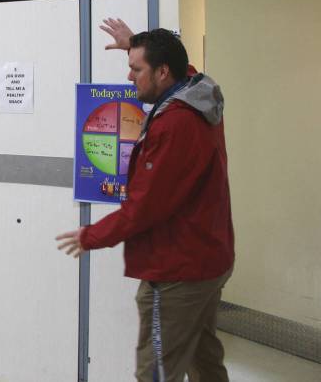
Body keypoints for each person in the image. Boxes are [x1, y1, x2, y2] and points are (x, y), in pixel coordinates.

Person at [56, 19, 234, 382]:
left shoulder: (175, 125)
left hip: (177, 270)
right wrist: (134, 45)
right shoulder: (199, 93)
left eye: (136, 69)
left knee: (156, 371)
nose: (128, 77)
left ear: (163, 72)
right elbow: (182, 64)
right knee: (205, 361)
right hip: (207, 258)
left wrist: (90, 236)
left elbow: (145, 206)